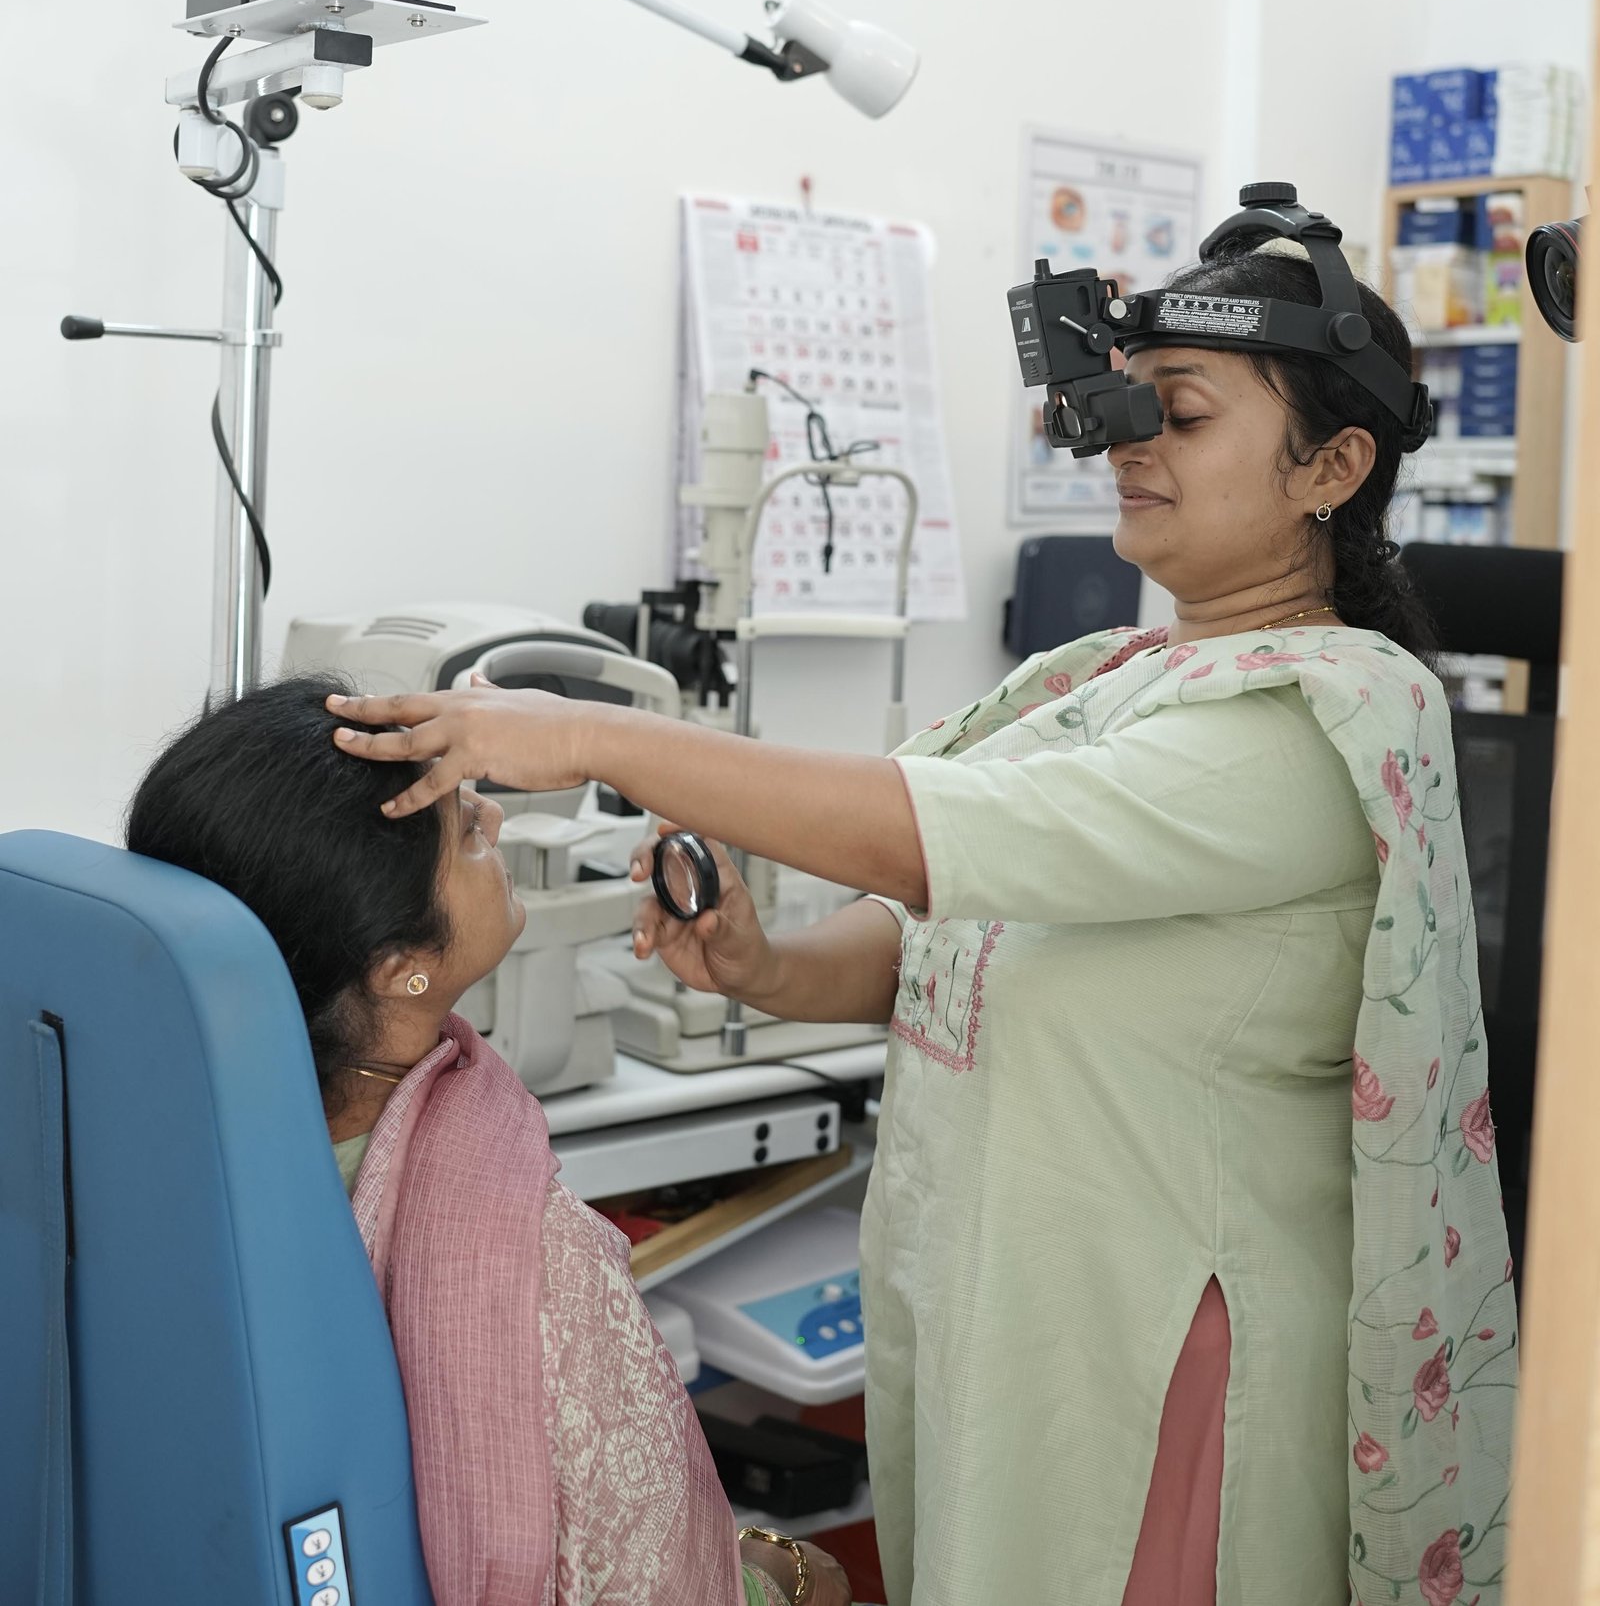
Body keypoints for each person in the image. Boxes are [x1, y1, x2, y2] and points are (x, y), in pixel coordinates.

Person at [329, 238, 1517, 1606]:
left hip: (1165, 1353)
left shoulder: (1318, 727)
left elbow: (930, 832)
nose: (1125, 442)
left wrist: (589, 731)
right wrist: (764, 965)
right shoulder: (1109, 677)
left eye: (1180, 415)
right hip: (1010, 1308)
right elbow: (954, 937)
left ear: (1332, 468)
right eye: (1120, 405)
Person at [125, 678, 850, 1606]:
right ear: (402, 969)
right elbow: (663, 1581)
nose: (498, 818)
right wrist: (779, 1576)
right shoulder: (531, 1257)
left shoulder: (164, 1156)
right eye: (464, 829)